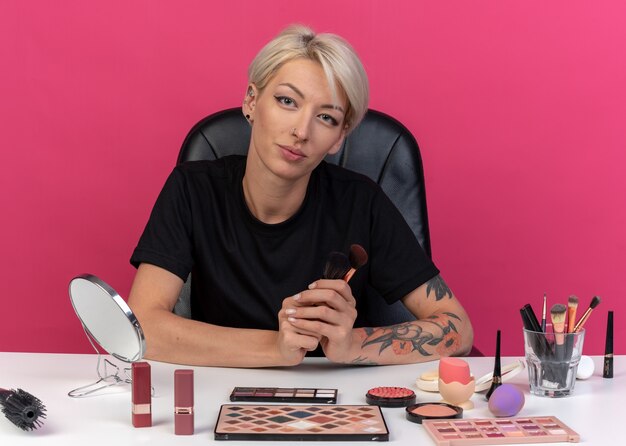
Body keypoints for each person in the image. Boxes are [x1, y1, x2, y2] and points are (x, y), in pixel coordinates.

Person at [127, 25, 473, 367]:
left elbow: (458, 329)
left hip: (341, 400)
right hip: (217, 395)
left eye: (326, 117)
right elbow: (143, 325)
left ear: (340, 137)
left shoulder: (361, 202)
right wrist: (275, 348)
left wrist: (351, 344)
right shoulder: (192, 188)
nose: (301, 131)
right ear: (251, 101)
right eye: (286, 101)